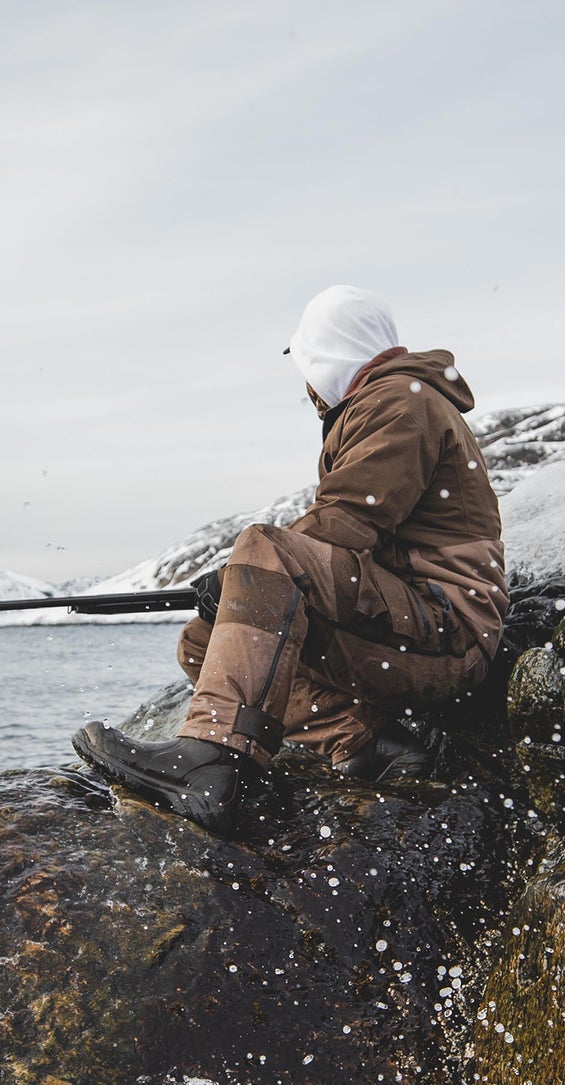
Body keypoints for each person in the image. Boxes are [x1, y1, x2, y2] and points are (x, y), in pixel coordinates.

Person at [73, 284, 507, 836]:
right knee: (204, 644)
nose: (306, 384)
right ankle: (368, 743)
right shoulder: (389, 402)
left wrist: (244, 575)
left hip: (450, 632)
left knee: (267, 546)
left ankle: (212, 760)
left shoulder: (402, 401)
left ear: (327, 355)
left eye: (307, 364)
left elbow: (345, 526)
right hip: (418, 630)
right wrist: (241, 590)